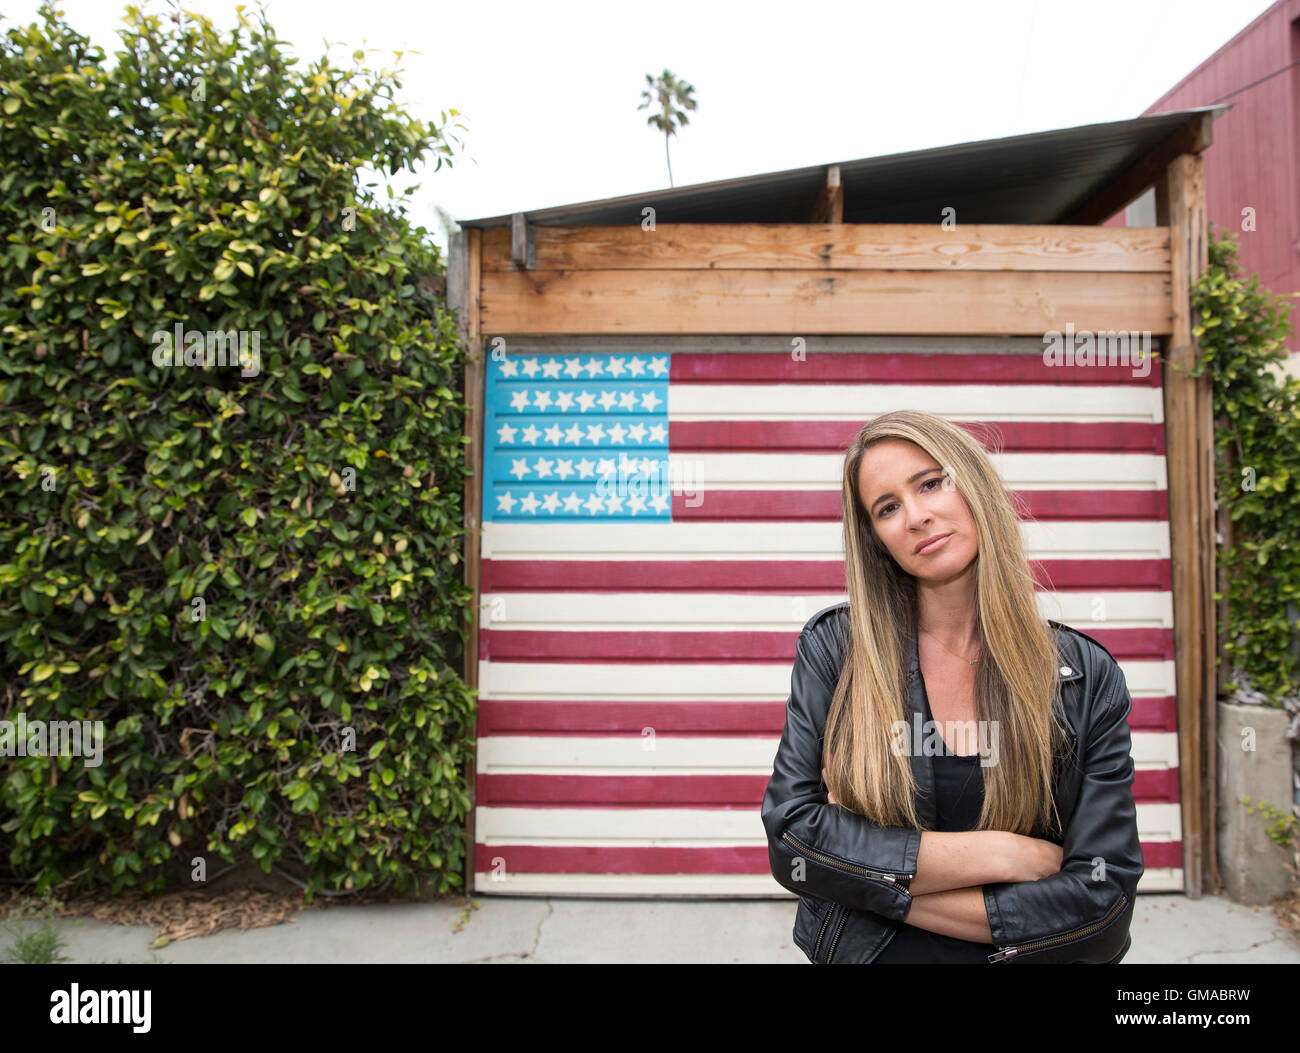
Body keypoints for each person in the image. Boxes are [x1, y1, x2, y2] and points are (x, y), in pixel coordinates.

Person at [761, 409, 1144, 964]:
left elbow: (1102, 906)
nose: (916, 517)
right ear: (876, 540)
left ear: (976, 485)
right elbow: (793, 840)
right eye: (887, 508)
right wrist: (1003, 854)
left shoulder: (1084, 676)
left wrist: (864, 883)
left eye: (932, 483)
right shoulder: (836, 648)